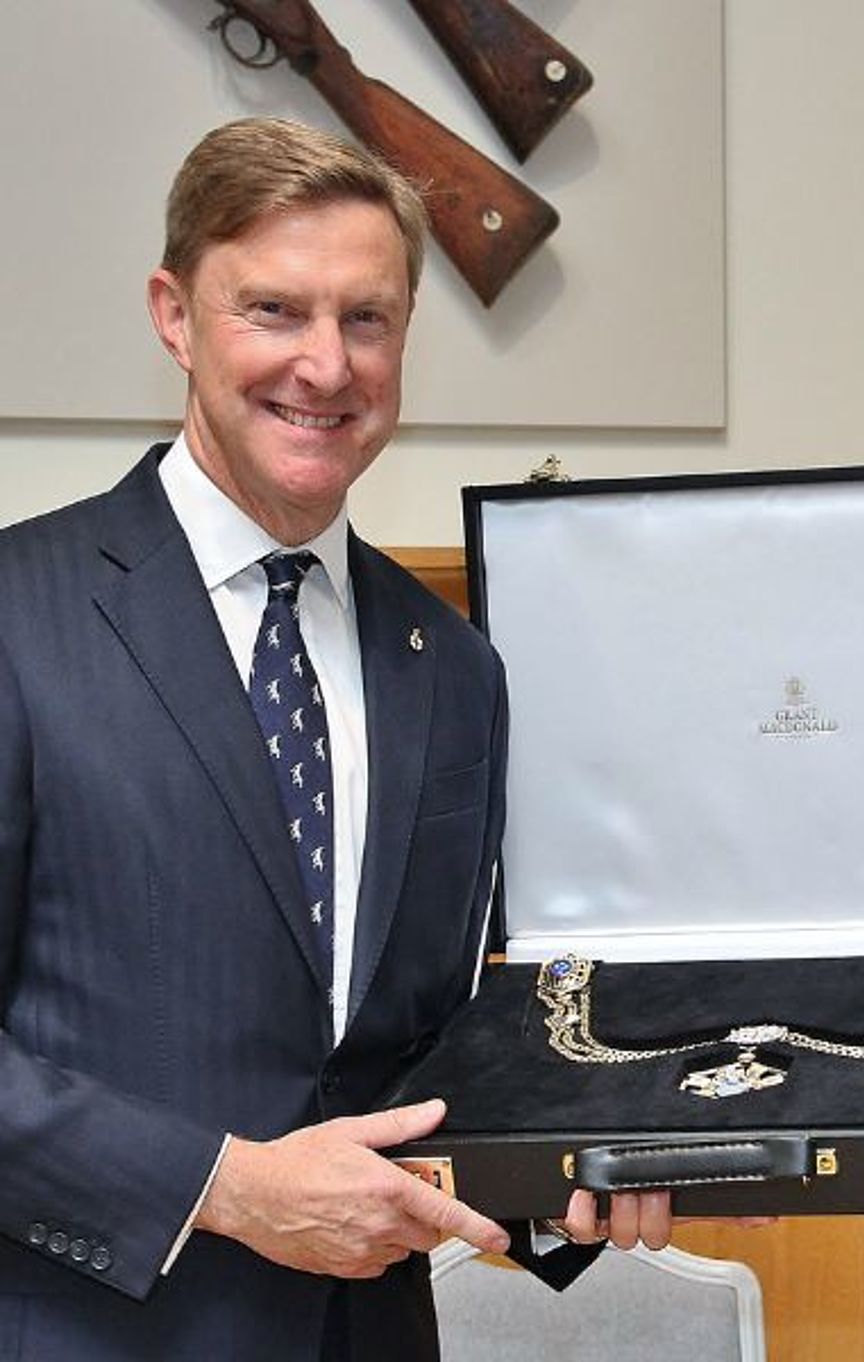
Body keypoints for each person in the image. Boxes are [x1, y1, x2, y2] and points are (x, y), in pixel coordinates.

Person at [0, 117, 669, 1360]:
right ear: (173, 314)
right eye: (272, 310)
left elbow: (417, 1060)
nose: (326, 365)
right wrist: (223, 1185)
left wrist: (572, 1170)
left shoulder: (454, 667)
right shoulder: (19, 616)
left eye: (367, 320)